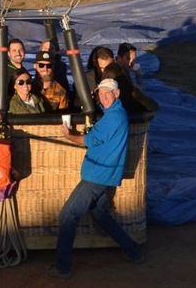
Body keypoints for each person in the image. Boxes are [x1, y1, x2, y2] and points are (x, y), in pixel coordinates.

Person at [50, 78, 145, 279]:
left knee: (68, 215)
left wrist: (69, 135)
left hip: (98, 175)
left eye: (107, 93)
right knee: (100, 214)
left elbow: (90, 141)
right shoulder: (115, 114)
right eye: (101, 94)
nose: (103, 97)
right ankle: (133, 250)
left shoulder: (112, 117)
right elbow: (98, 137)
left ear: (116, 94)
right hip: (107, 174)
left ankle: (63, 266)